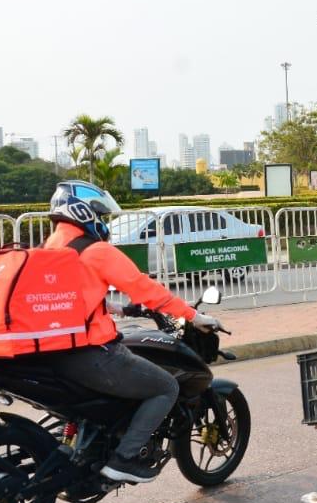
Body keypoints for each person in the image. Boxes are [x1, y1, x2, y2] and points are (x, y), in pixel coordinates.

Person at [43, 180, 223, 484]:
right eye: (100, 215)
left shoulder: (51, 247)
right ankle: (123, 459)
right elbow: (145, 288)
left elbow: (66, 295)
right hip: (90, 353)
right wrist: (193, 315)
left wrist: (111, 307)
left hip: (55, 351)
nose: (102, 222)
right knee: (165, 387)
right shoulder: (95, 250)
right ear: (83, 211)